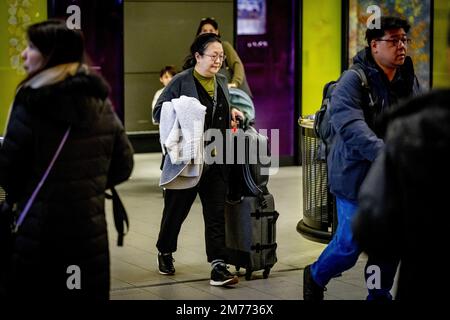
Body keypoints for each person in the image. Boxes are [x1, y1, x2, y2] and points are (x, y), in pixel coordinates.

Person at [0, 20, 134, 299]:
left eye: (32, 47)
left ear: (53, 55)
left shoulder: (29, 103)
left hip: (38, 235)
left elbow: (9, 175)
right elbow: (124, 164)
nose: (24, 54)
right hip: (88, 234)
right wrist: (88, 186)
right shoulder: (101, 103)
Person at [303, 16, 420, 301]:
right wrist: (388, 154)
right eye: (394, 40)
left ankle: (378, 294)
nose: (401, 46)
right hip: (354, 176)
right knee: (349, 245)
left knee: (390, 242)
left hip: (390, 178)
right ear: (374, 45)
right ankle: (316, 275)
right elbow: (351, 127)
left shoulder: (406, 78)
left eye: (404, 39)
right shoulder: (352, 80)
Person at [153, 33, 244, 287]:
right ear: (197, 56)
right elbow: (158, 112)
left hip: (216, 159)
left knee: (215, 213)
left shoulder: (222, 81)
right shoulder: (181, 82)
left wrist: (231, 113)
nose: (218, 61)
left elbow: (220, 111)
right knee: (175, 211)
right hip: (186, 159)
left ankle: (218, 265)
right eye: (213, 56)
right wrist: (180, 110)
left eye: (221, 57)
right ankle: (165, 250)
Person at [196, 17, 253, 98]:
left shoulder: (224, 46)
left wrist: (235, 83)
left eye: (211, 30)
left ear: (217, 32)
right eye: (204, 31)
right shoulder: (198, 51)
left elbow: (237, 65)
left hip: (234, 95)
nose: (208, 33)